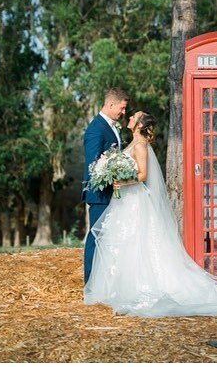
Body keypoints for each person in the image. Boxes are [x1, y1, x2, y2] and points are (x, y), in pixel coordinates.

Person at [84, 111, 217, 317]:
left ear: (139, 124)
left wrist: (122, 181)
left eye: (134, 116)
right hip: (126, 200)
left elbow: (142, 175)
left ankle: (137, 286)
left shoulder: (141, 145)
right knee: (125, 242)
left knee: (136, 242)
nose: (130, 117)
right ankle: (118, 286)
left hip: (134, 200)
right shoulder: (134, 142)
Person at [82, 87, 128, 284]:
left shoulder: (110, 126)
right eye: (122, 108)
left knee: (109, 238)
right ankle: (90, 282)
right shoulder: (96, 129)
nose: (124, 112)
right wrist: (112, 177)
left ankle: (105, 281)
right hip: (100, 193)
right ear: (111, 104)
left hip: (113, 191)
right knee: (96, 237)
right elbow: (94, 165)